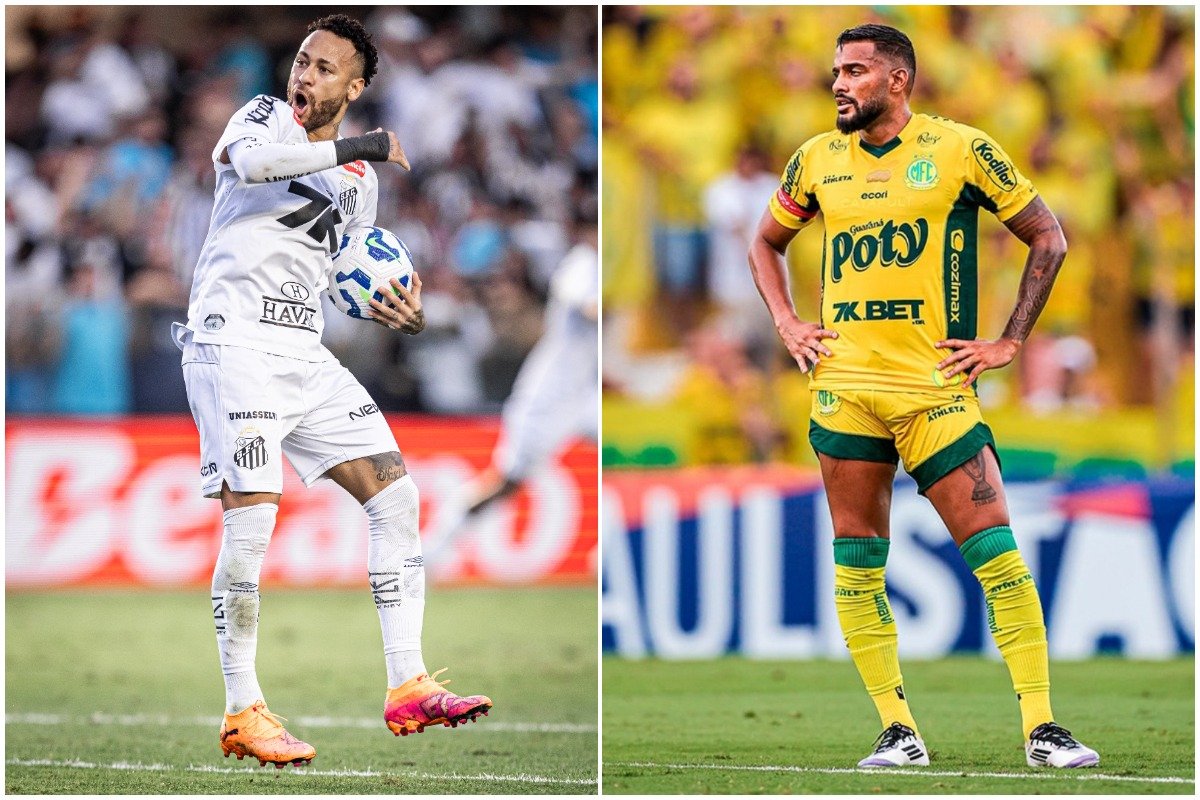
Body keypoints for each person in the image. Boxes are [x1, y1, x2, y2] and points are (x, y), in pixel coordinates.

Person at [747, 24, 1099, 770]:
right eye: (836, 70)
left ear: (897, 80)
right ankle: (896, 730)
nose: (838, 83)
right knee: (858, 561)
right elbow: (764, 242)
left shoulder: (961, 150)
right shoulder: (815, 159)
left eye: (855, 71)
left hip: (934, 389)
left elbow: (1049, 236)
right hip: (844, 389)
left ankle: (1042, 727)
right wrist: (786, 321)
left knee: (998, 553)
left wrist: (1010, 341)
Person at [175, 14, 490, 769]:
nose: (303, 78)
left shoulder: (361, 185)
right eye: (302, 63)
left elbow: (348, 276)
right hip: (235, 340)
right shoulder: (262, 118)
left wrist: (401, 315)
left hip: (301, 352)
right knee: (252, 525)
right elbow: (253, 168)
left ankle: (406, 681)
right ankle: (242, 709)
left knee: (395, 496)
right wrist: (364, 141)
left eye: (323, 69)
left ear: (355, 86)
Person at [428, 208, 598, 561]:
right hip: (549, 395)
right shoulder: (582, 263)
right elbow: (589, 308)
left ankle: (609, 546)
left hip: (587, 394)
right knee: (504, 483)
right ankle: (431, 549)